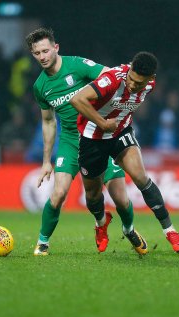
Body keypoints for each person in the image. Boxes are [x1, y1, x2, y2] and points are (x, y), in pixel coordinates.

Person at [26, 28, 134, 255]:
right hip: (71, 142)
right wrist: (47, 161)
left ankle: (129, 229)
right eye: (37, 53)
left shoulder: (77, 65)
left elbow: (110, 76)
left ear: (56, 48)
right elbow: (48, 122)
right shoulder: (40, 87)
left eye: (46, 50)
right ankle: (43, 242)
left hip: (99, 138)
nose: (42, 57)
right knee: (58, 194)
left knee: (121, 198)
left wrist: (117, 110)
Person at [70, 51, 179, 254]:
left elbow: (126, 106)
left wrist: (114, 124)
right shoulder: (112, 79)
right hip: (92, 138)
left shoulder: (150, 85)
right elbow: (77, 99)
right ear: (129, 68)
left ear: (151, 79)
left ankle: (170, 231)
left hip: (120, 134)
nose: (133, 85)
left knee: (141, 178)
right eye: (132, 80)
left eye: (139, 83)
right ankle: (101, 223)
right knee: (93, 194)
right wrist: (102, 122)